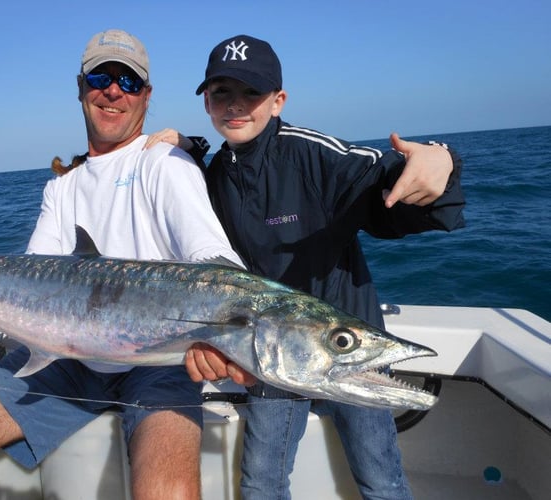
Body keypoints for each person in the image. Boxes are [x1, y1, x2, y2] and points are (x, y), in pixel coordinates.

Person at [0, 29, 243, 500]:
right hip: (67, 355)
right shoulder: (62, 186)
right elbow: (31, 280)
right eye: (101, 76)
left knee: (169, 491)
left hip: (162, 358)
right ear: (81, 87)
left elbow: (213, 262)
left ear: (146, 96)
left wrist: (225, 331)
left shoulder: (166, 164)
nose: (113, 90)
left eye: (129, 82)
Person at [176, 34, 465, 499]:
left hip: (347, 353)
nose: (236, 105)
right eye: (222, 93)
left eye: (251, 92)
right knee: (261, 485)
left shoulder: (312, 153)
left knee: (382, 482)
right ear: (207, 103)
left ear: (278, 101)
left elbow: (381, 184)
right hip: (268, 358)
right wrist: (183, 150)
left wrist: (440, 161)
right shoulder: (208, 177)